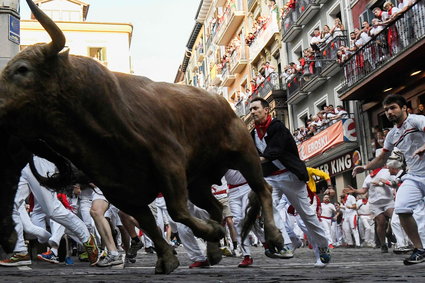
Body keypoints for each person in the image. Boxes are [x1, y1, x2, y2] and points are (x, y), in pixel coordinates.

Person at [249, 97, 331, 267]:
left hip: (290, 175)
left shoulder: (277, 127)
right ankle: (284, 245)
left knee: (307, 215)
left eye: (256, 108)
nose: (253, 112)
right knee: (269, 209)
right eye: (251, 109)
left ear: (266, 110)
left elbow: (275, 150)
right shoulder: (253, 134)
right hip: (271, 177)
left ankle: (322, 247)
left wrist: (254, 160)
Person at [352, 94, 425, 265]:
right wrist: (365, 167)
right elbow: (382, 158)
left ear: (404, 108)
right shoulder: (392, 134)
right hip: (414, 176)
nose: (389, 112)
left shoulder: (416, 120)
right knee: (402, 209)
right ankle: (420, 249)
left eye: (393, 108)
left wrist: (423, 147)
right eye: (386, 110)